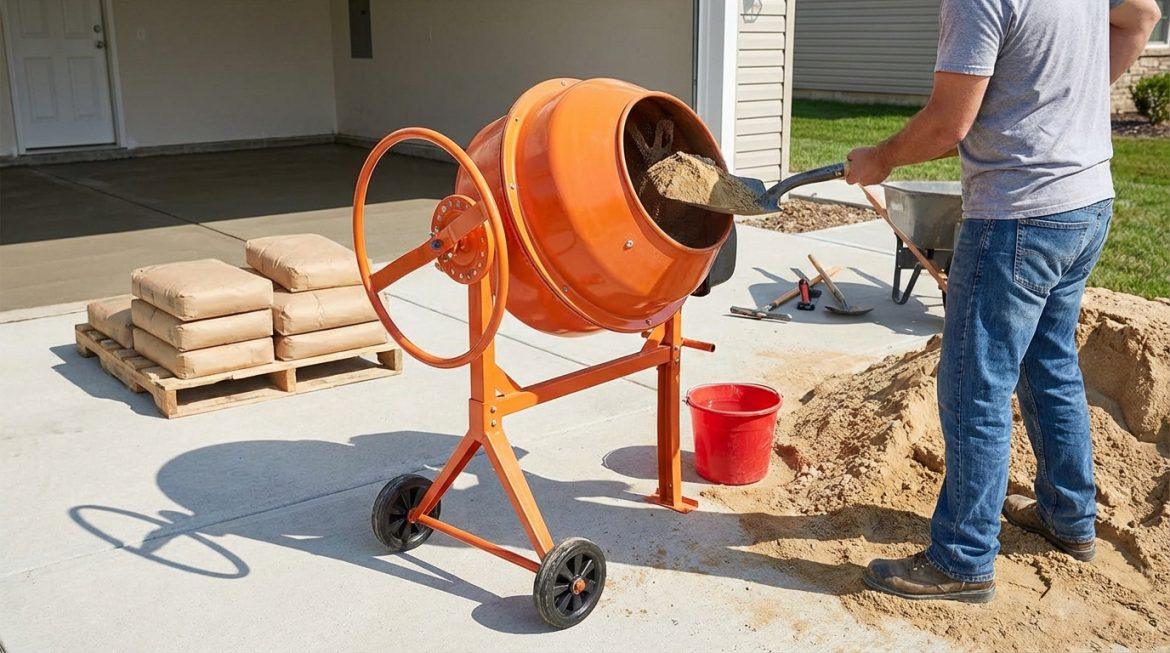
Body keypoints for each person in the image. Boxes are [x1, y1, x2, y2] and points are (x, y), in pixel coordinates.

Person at [844, 0, 1163, 602]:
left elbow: (948, 124)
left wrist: (880, 159)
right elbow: (1142, 13)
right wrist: (1061, 103)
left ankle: (962, 558)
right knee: (1048, 361)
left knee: (975, 383)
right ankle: (1068, 516)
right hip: (1087, 201)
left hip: (1020, 216)